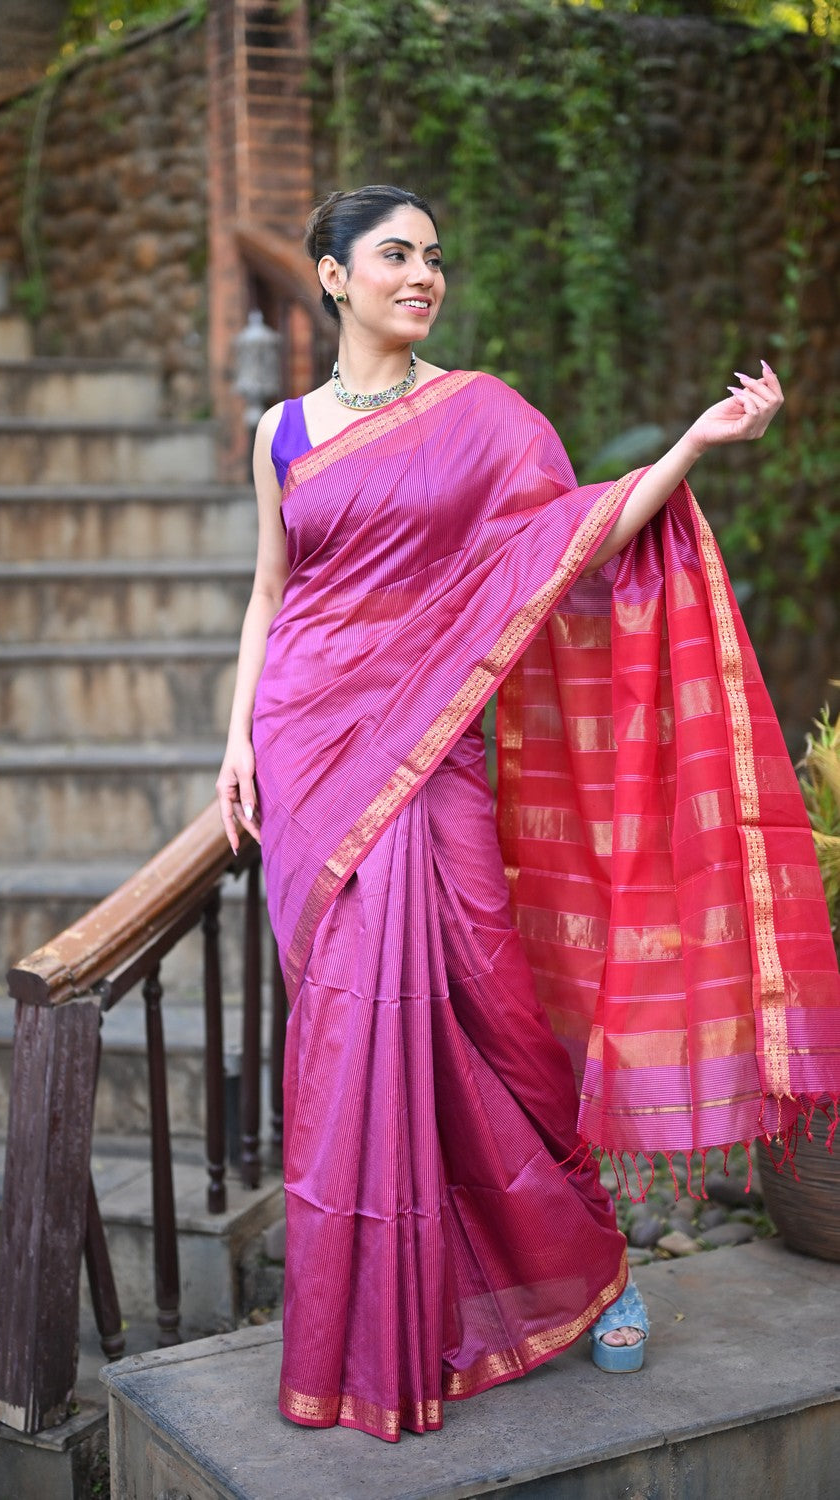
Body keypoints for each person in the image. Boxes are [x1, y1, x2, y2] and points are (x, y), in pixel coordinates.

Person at [216, 185, 840, 1443]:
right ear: (330, 276)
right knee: (346, 1037)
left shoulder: (482, 415)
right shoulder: (278, 430)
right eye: (394, 255)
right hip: (308, 753)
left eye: (433, 257)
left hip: (433, 751)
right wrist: (235, 742)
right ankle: (374, 1316)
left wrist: (691, 445)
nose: (421, 275)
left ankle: (586, 1267)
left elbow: (575, 538)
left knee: (498, 1018)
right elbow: (272, 593)